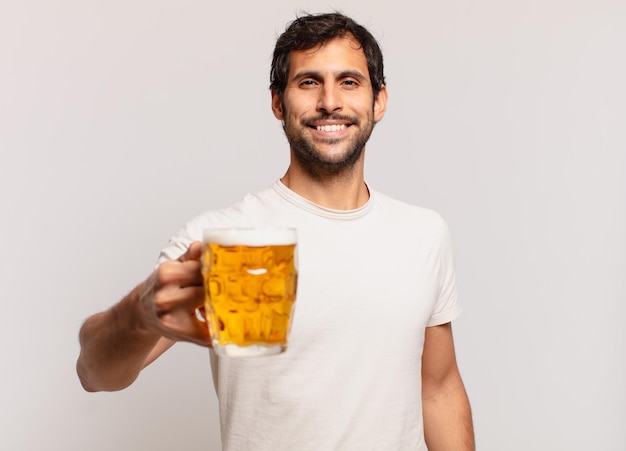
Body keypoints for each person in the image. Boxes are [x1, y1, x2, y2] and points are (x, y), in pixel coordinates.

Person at [77, 12, 475, 451]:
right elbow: (94, 373)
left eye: (349, 81)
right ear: (278, 103)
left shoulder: (423, 234)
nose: (329, 102)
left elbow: (438, 387)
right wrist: (139, 312)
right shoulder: (222, 237)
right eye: (308, 82)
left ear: (379, 100)